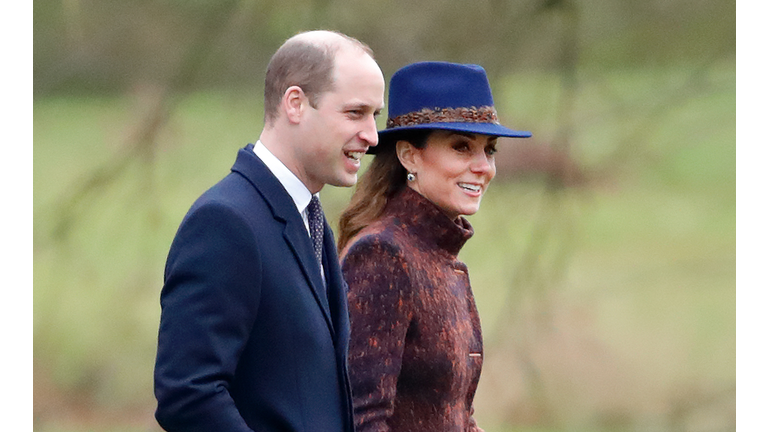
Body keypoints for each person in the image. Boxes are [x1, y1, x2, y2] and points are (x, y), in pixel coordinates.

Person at [154, 30, 385, 432]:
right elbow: (188, 393)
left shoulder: (310, 220)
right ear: (295, 103)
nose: (371, 135)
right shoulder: (226, 222)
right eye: (355, 113)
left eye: (374, 116)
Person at [337, 61, 531, 431]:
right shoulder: (384, 255)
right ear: (409, 155)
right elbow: (362, 418)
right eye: (461, 147)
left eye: (489, 150)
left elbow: (455, 414)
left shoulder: (440, 257)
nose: (483, 167)